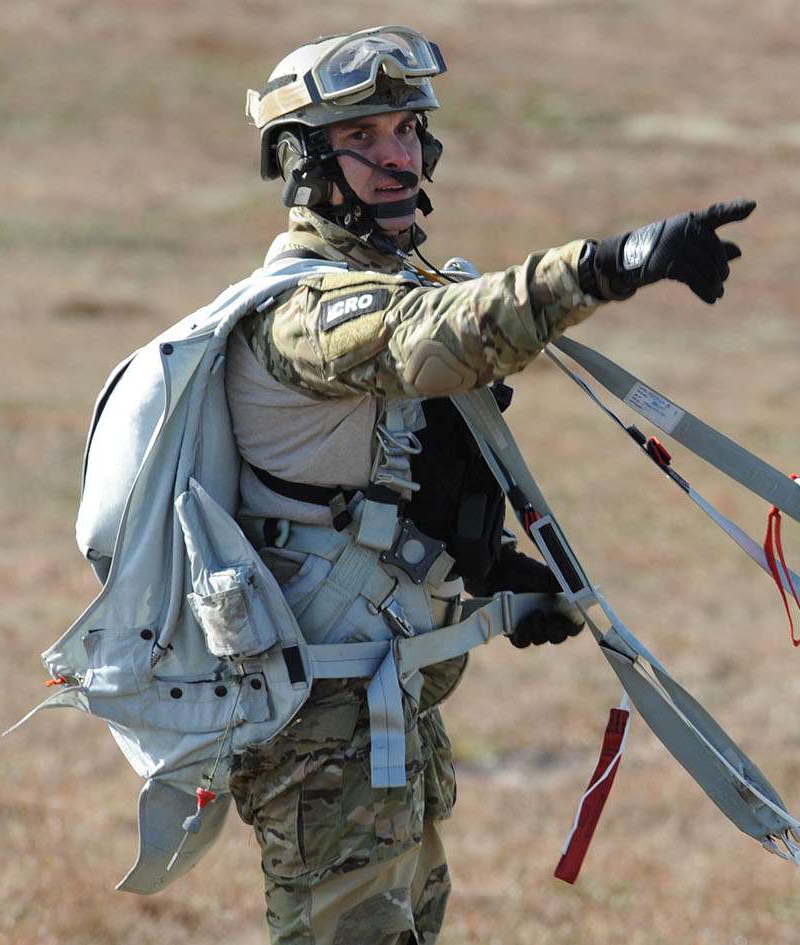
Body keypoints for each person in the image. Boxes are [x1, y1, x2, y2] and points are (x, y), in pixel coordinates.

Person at [230, 25, 754, 944]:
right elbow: (441, 335)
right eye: (363, 139)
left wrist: (488, 568)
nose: (397, 156)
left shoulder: (391, 282)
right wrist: (610, 262)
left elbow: (382, 483)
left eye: (404, 129)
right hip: (323, 730)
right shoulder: (304, 313)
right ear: (304, 163)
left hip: (385, 707)